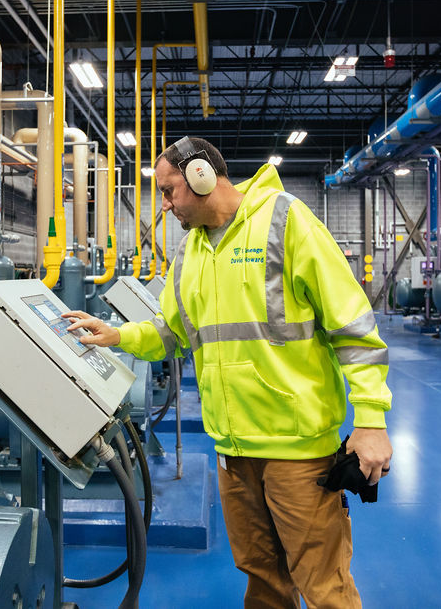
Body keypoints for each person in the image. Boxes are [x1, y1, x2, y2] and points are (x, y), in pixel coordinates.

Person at [64, 136, 392, 608]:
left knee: (324, 585)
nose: (164, 204)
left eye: (168, 190)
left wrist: (370, 420)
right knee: (262, 580)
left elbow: (353, 327)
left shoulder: (285, 221)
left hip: (297, 452)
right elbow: (169, 333)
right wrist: (118, 336)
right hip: (233, 454)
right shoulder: (189, 255)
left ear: (200, 175)